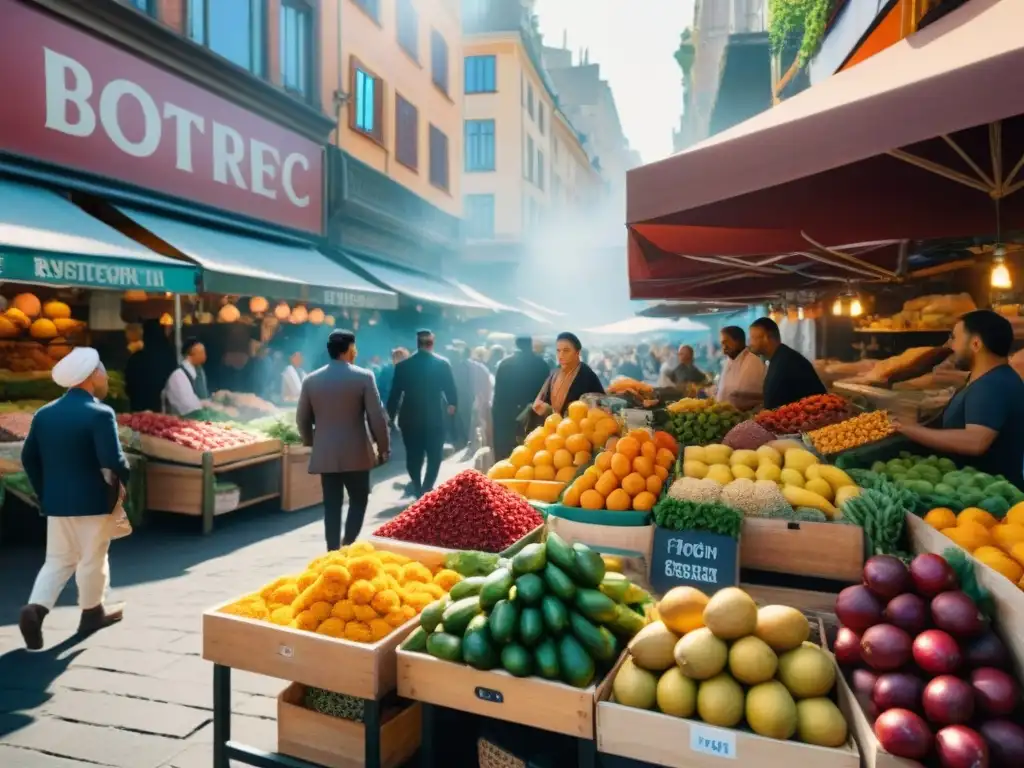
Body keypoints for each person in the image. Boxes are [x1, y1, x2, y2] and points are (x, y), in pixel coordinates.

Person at [18, 348, 130, 650]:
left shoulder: (44, 414)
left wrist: (46, 491)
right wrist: (124, 482)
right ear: (91, 376)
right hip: (94, 501)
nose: (105, 375)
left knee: (57, 559)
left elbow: (29, 458)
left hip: (57, 503)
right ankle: (92, 612)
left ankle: (35, 609)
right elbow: (113, 460)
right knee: (93, 558)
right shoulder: (101, 413)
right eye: (102, 369)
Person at [896, 310, 1024, 489]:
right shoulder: (987, 378)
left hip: (987, 495)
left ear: (976, 344)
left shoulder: (993, 384)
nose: (950, 345)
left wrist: (909, 429)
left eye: (954, 338)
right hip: (971, 486)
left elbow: (976, 442)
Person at [297, 330, 390, 550]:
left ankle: (332, 550)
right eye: (354, 348)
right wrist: (383, 447)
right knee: (359, 499)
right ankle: (347, 543)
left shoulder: (311, 380)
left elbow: (302, 419)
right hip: (356, 453)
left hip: (326, 453)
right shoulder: (364, 377)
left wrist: (312, 442)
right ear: (348, 350)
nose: (356, 352)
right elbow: (376, 417)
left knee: (332, 505)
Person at [387, 330, 458, 497]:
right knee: (435, 455)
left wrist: (389, 416)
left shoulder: (403, 367)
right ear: (432, 343)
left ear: (417, 344)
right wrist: (452, 405)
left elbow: (395, 394)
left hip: (409, 417)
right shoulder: (442, 364)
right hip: (434, 417)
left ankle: (417, 486)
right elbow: (451, 391)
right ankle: (427, 487)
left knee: (413, 455)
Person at [749, 317, 827, 409]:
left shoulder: (787, 362)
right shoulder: (780, 357)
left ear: (767, 337)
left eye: (753, 338)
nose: (750, 343)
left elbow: (774, 405)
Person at [492, 337, 550, 459]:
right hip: (534, 418)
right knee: (531, 457)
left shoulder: (505, 364)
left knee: (507, 457)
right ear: (530, 344)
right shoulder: (542, 365)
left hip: (508, 418)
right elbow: (547, 395)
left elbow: (498, 397)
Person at [533, 332, 605, 417]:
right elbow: (543, 399)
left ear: (577, 352)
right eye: (558, 351)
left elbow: (600, 406)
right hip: (553, 425)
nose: (561, 355)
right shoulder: (556, 371)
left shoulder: (587, 374)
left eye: (566, 351)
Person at [124, 319, 177, 412]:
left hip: (139, 406)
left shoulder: (136, 358)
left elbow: (129, 384)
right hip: (163, 405)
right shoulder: (169, 354)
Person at [716, 326, 766, 410]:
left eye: (726, 342)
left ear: (738, 341)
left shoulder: (753, 362)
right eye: (722, 343)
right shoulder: (728, 361)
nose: (724, 347)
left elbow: (744, 396)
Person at [163, 338, 209, 416]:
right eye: (202, 352)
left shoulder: (199, 372)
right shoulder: (178, 376)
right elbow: (189, 408)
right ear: (191, 354)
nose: (205, 356)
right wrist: (209, 405)